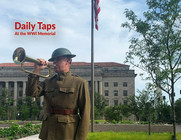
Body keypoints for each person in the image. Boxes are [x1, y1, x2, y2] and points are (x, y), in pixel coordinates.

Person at [26, 48, 90, 140]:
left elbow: (85, 113)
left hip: (67, 133)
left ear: (68, 61)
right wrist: (36, 70)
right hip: (48, 132)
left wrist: (80, 138)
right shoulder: (48, 82)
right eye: (53, 60)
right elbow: (30, 92)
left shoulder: (79, 83)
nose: (54, 62)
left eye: (58, 59)